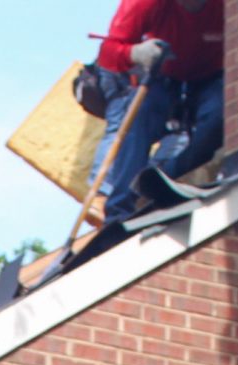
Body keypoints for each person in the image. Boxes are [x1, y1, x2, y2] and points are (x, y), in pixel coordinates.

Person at [86, 0, 225, 228]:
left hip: (213, 76)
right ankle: (119, 212)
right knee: (136, 125)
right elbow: (108, 53)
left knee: (217, 123)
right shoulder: (144, 3)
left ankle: (161, 182)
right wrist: (135, 53)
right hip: (164, 75)